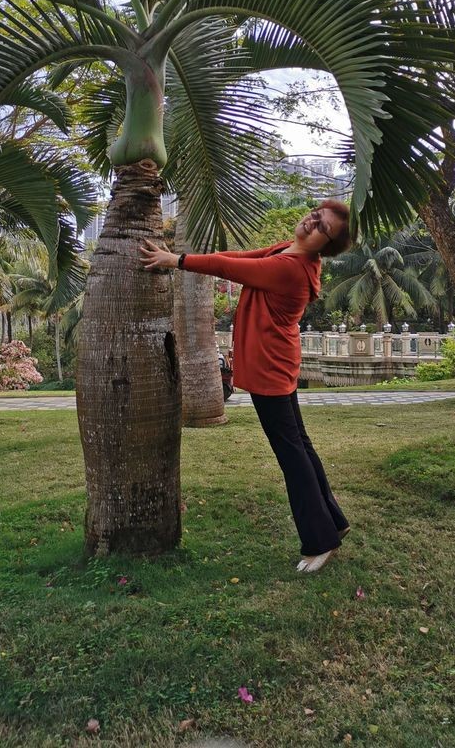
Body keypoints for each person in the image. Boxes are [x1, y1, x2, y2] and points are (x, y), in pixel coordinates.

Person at [139, 201, 353, 573]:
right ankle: (333, 521)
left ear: (326, 245)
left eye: (323, 227)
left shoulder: (291, 268)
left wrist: (174, 260)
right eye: (317, 214)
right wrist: (185, 258)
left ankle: (320, 540)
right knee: (299, 444)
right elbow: (234, 255)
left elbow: (229, 268)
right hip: (279, 360)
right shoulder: (288, 250)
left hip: (271, 365)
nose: (313, 221)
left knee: (291, 454)